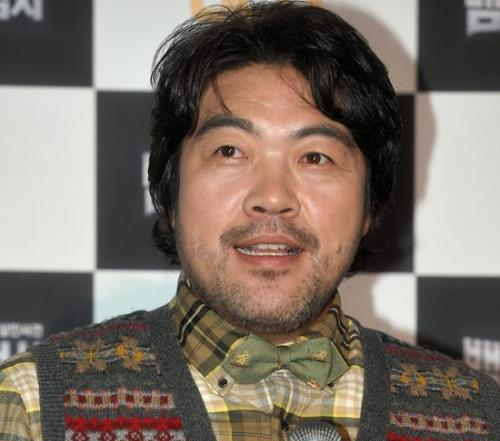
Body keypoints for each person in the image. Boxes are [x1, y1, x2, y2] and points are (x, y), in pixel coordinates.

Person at [1, 2, 498, 441]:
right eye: (230, 151)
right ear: (169, 191)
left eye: (315, 157)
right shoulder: (33, 406)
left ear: (370, 204)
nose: (272, 198)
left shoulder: (474, 417)